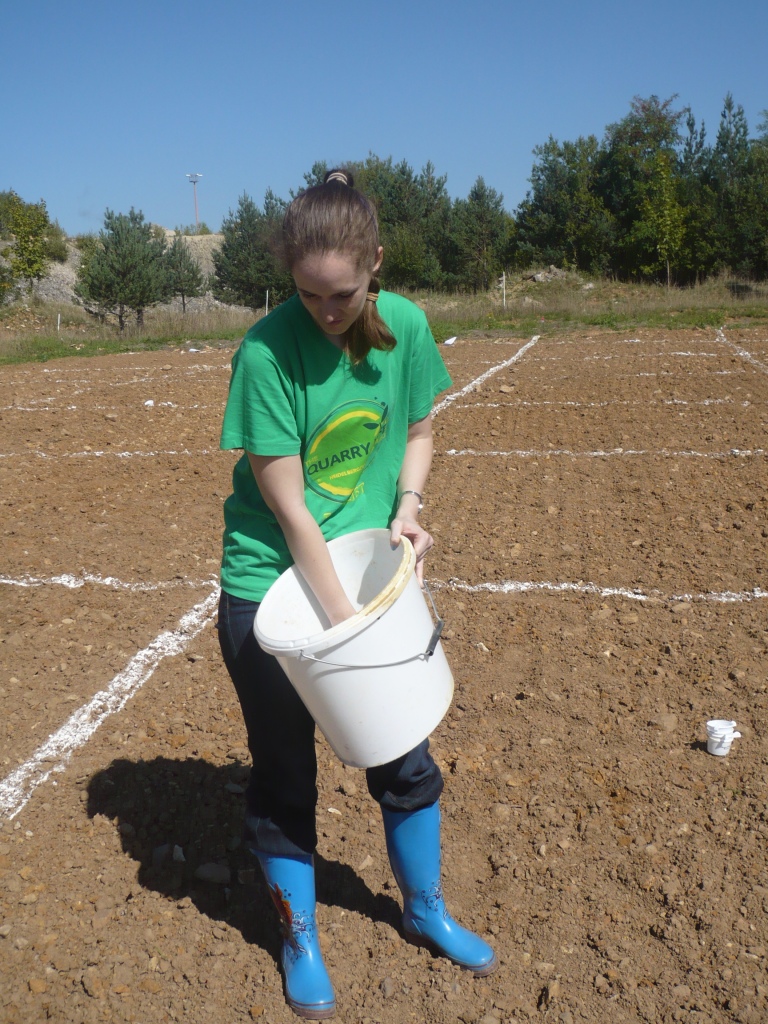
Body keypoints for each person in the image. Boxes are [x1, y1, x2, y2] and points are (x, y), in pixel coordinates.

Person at [217, 168, 497, 1020]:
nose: (326, 311)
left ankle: (425, 910)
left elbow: (417, 428)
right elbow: (289, 505)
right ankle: (300, 937)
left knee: (402, 752)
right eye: (308, 294)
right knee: (285, 775)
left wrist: (409, 509)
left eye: (342, 294)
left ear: (376, 263)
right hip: (276, 594)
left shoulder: (404, 325)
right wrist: (345, 627)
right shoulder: (266, 351)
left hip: (363, 578)